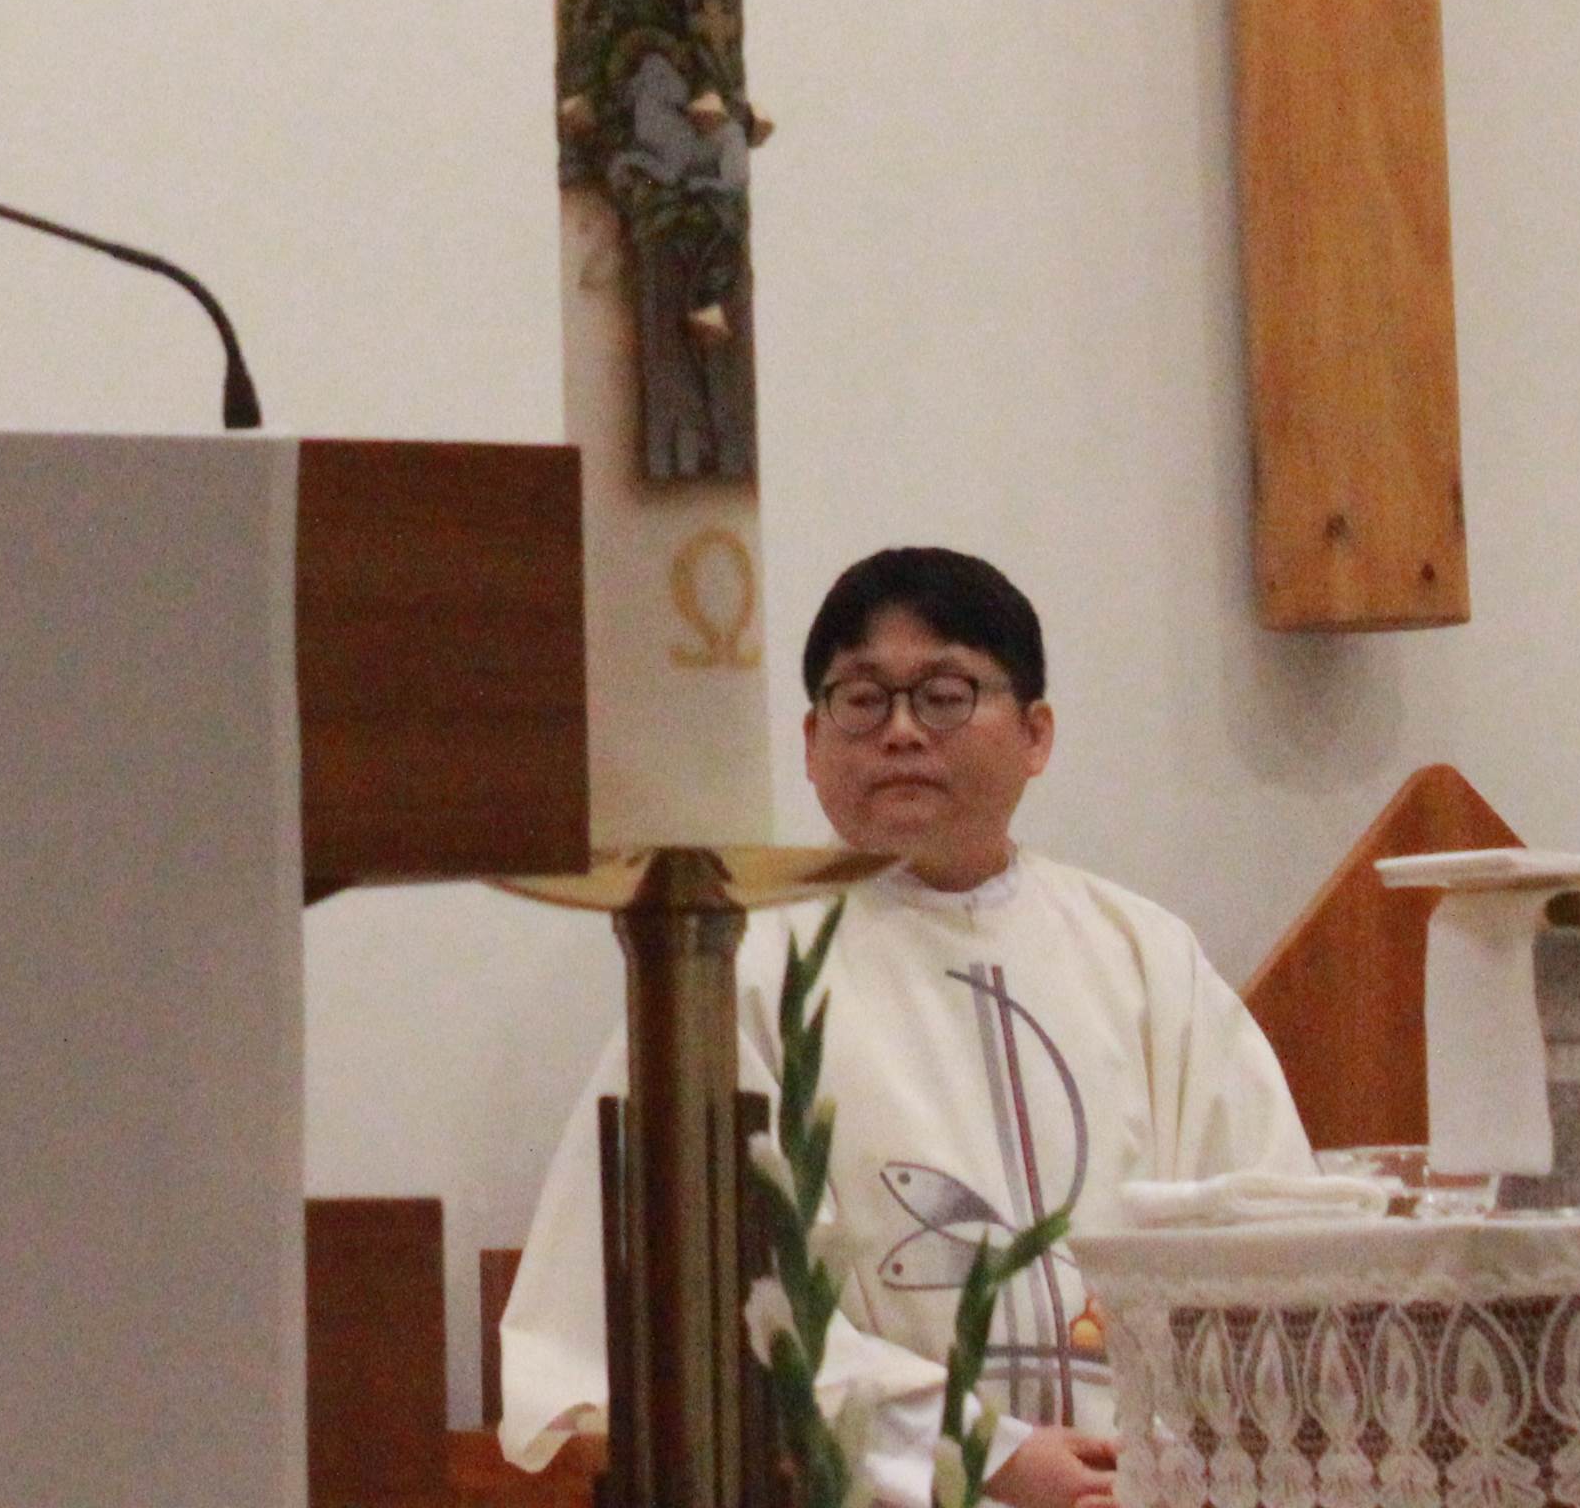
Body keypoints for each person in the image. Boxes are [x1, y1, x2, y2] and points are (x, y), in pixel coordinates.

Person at [495, 550, 1309, 1508]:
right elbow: (710, 1304)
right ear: (811, 741)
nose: (902, 731)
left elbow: (1270, 1242)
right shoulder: (736, 964)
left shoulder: (1146, 959)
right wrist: (977, 1450)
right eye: (862, 699)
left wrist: (1165, 1464)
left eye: (946, 695)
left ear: (1036, 734)